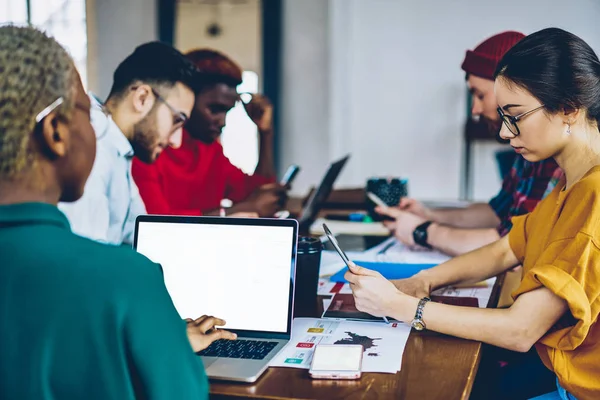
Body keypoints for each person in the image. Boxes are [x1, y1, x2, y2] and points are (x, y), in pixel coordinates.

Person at [347, 28, 600, 400]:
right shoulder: (572, 183)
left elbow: (521, 329)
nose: (502, 131)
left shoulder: (593, 193)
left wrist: (404, 306)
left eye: (515, 116)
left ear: (568, 109)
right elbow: (506, 249)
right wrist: (423, 282)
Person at [0, 26, 235, 399]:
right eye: (86, 111)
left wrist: (161, 327)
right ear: (56, 132)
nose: (96, 125)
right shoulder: (121, 275)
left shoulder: (123, 162)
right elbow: (84, 291)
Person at [379, 31, 563, 256]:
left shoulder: (553, 156)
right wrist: (428, 215)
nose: (475, 109)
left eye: (480, 95)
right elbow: (498, 213)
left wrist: (422, 232)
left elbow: (510, 246)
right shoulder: (527, 149)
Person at [59, 41, 201, 245]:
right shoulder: (94, 147)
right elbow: (86, 258)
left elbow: (142, 237)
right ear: (142, 98)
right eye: (176, 120)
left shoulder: (118, 147)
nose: (176, 142)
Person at [132, 49, 286, 217]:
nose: (223, 122)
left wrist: (265, 133)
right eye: (214, 109)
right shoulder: (150, 149)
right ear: (187, 98)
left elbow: (259, 194)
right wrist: (236, 211)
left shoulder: (210, 151)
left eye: (227, 111)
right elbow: (156, 224)